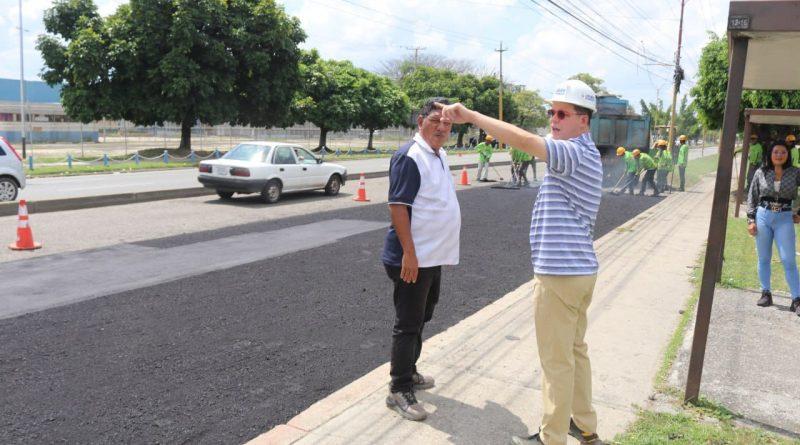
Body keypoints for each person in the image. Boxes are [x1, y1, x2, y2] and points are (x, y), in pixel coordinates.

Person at [436, 79, 606, 445]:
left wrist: (472, 116)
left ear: (584, 120)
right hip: (578, 271)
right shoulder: (584, 151)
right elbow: (529, 138)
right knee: (574, 351)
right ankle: (583, 423)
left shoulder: (572, 152)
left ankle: (552, 436)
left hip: (560, 275)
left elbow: (525, 141)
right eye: (551, 112)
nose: (554, 119)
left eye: (562, 113)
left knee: (556, 360)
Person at [382, 98, 462, 421]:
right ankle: (399, 388)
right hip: (412, 258)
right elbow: (398, 207)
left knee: (422, 316)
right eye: (435, 121)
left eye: (447, 123)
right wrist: (410, 255)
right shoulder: (410, 156)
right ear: (420, 121)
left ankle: (409, 370)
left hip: (431, 256)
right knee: (408, 323)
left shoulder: (438, 154)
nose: (441, 127)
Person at [746, 142, 800, 316]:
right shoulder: (761, 172)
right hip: (763, 216)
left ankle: (797, 299)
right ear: (770, 154)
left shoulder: (795, 172)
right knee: (764, 258)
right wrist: (751, 220)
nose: (779, 155)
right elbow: (752, 196)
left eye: (783, 152)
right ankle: (766, 293)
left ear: (788, 155)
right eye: (776, 152)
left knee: (788, 259)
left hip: (784, 218)